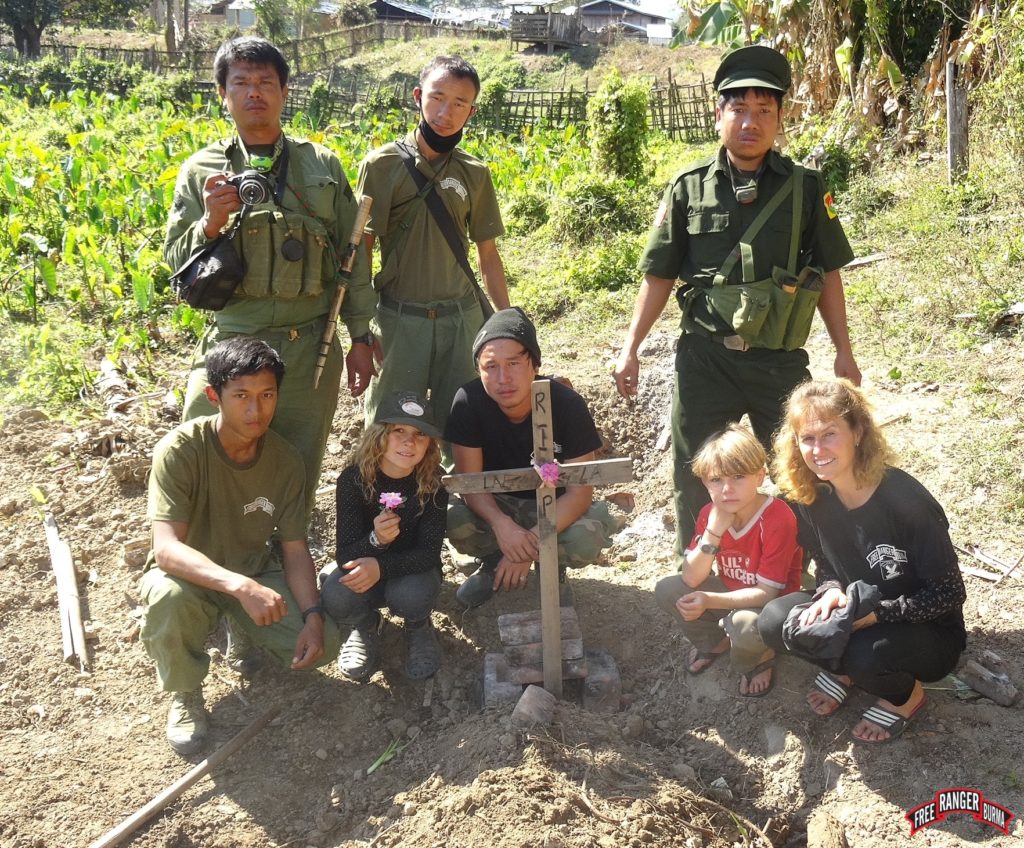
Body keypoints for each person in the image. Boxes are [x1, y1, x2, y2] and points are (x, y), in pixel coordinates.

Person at [612, 44, 861, 570]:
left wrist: (844, 351)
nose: (751, 122)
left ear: (780, 117)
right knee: (695, 469)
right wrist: (630, 347)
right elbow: (659, 275)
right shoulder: (688, 189)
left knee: (800, 466)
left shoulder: (806, 188)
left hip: (778, 360)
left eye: (764, 110)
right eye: (739, 109)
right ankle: (700, 577)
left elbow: (829, 274)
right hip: (705, 359)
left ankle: (811, 574)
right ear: (719, 113)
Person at [165, 36, 374, 522]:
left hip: (310, 346)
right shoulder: (202, 171)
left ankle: (286, 551)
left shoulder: (321, 164)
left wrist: (361, 337)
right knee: (203, 450)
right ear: (223, 93)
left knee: (298, 461)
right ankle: (202, 547)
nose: (254, 92)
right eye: (241, 82)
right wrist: (210, 223)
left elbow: (353, 257)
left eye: (265, 82)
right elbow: (174, 264)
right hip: (232, 341)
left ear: (284, 91)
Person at [139, 337, 340, 755]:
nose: (255, 411)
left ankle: (244, 630)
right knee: (166, 598)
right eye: (241, 396)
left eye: (267, 395)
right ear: (214, 396)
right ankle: (185, 693)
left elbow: (295, 549)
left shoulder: (285, 461)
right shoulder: (181, 450)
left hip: (253, 569)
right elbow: (166, 550)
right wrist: (239, 587)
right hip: (190, 577)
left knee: (327, 646)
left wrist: (313, 616)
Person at [758, 379, 966, 743]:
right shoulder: (810, 497)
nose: (818, 449)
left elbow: (949, 593)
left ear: (858, 432)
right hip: (857, 611)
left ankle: (905, 697)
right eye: (807, 438)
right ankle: (846, 670)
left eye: (829, 434)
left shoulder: (905, 501)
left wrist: (876, 615)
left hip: (927, 630)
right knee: (775, 622)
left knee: (861, 655)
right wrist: (830, 591)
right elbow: (825, 561)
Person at [356, 55, 511, 445]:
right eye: (437, 97)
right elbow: (361, 253)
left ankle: (451, 487)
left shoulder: (475, 173)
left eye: (460, 103)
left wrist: (508, 322)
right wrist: (359, 330)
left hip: (461, 320)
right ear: (417, 96)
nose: (446, 113)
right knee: (389, 430)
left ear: (471, 112)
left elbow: (488, 256)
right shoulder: (382, 165)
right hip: (400, 319)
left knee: (461, 429)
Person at [445, 308, 625, 609]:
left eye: (514, 363)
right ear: (478, 369)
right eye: (490, 366)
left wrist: (528, 546)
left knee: (584, 539)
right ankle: (493, 561)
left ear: (535, 364)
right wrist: (502, 525)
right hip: (498, 504)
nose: (503, 378)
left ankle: (552, 568)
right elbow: (470, 485)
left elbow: (579, 493)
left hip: (556, 505)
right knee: (453, 518)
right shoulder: (468, 402)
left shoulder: (567, 406)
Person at [654, 425, 802, 696]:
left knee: (743, 625)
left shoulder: (777, 518)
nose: (727, 489)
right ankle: (714, 641)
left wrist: (709, 600)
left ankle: (758, 658)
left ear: (759, 476)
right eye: (716, 480)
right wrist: (713, 531)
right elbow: (691, 578)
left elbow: (768, 593)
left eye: (738, 476)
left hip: (772, 605)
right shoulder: (710, 514)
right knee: (668, 590)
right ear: (704, 482)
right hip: (731, 591)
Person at [320, 391, 448, 681]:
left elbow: (429, 553)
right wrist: (376, 540)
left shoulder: (433, 482)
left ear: (429, 444)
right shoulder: (353, 480)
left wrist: (381, 567)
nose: (409, 442)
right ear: (379, 435)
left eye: (420, 434)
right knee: (336, 595)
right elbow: (346, 554)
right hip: (366, 569)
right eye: (398, 431)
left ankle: (418, 625)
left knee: (413, 595)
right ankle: (365, 625)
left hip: (412, 573)